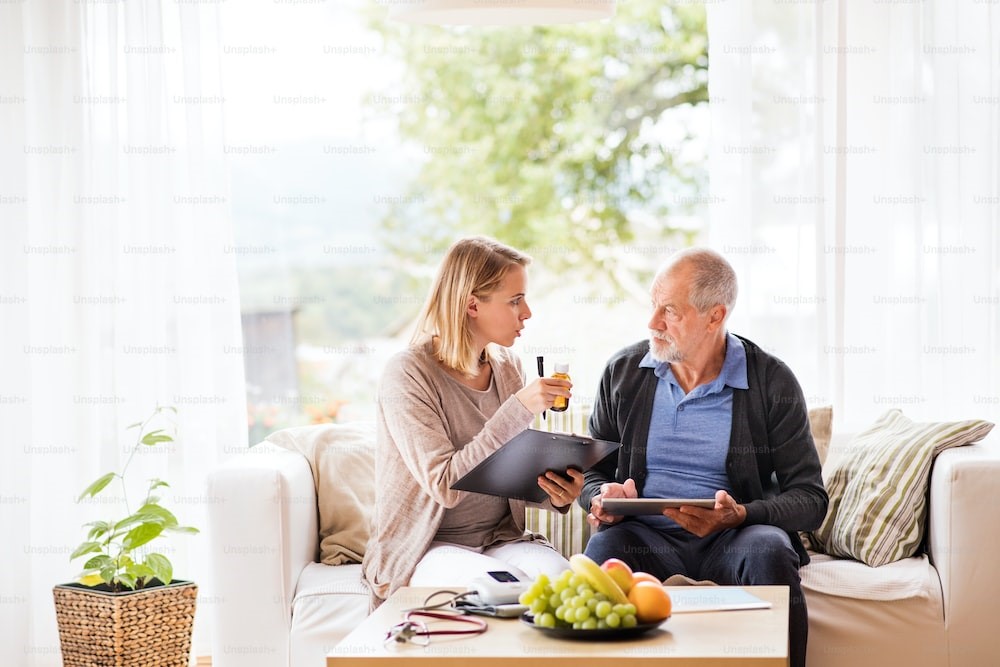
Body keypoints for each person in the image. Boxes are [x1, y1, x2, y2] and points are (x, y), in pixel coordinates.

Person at [581, 247, 827, 667]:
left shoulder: (771, 380)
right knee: (603, 554)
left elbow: (810, 499)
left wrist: (741, 515)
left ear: (715, 316)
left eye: (670, 312)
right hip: (644, 538)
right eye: (653, 306)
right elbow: (592, 475)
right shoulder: (623, 372)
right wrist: (603, 499)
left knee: (771, 551)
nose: (652, 323)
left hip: (734, 540)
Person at [362, 236, 581, 605]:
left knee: (562, 581)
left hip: (499, 538)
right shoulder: (408, 373)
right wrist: (518, 408)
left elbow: (504, 470)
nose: (527, 312)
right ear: (472, 305)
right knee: (503, 591)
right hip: (427, 545)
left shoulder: (508, 367)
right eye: (515, 300)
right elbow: (445, 484)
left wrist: (555, 493)